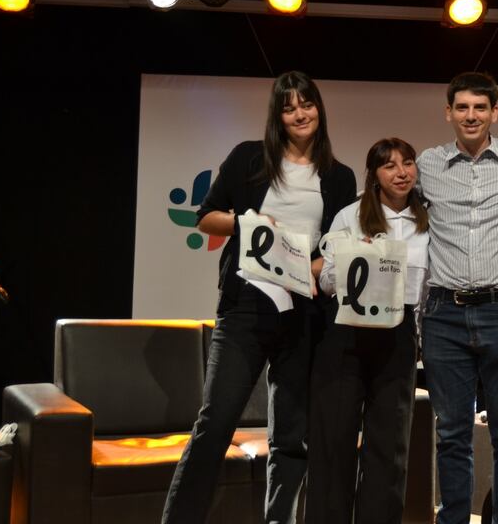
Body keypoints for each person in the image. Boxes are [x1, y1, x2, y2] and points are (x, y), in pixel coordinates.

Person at [162, 71, 357, 524]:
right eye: (288, 107)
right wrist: (248, 222)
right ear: (277, 115)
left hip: (304, 314)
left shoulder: (339, 176)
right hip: (246, 306)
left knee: (291, 436)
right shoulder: (249, 157)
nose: (299, 114)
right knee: (215, 424)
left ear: (318, 108)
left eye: (306, 104)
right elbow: (205, 217)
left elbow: (334, 248)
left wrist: (311, 267)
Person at [416, 72, 498, 524]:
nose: (470, 115)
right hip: (442, 313)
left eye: (480, 107)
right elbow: (390, 212)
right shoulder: (428, 163)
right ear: (448, 112)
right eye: (462, 107)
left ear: (495, 112)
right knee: (451, 433)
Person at [306, 138, 429, 524]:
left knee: (389, 446)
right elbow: (325, 280)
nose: (401, 172)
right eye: (389, 165)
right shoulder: (350, 215)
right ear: (374, 174)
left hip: (399, 332)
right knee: (333, 441)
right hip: (346, 332)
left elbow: (429, 288)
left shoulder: (429, 221)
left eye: (407, 163)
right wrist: (353, 261)